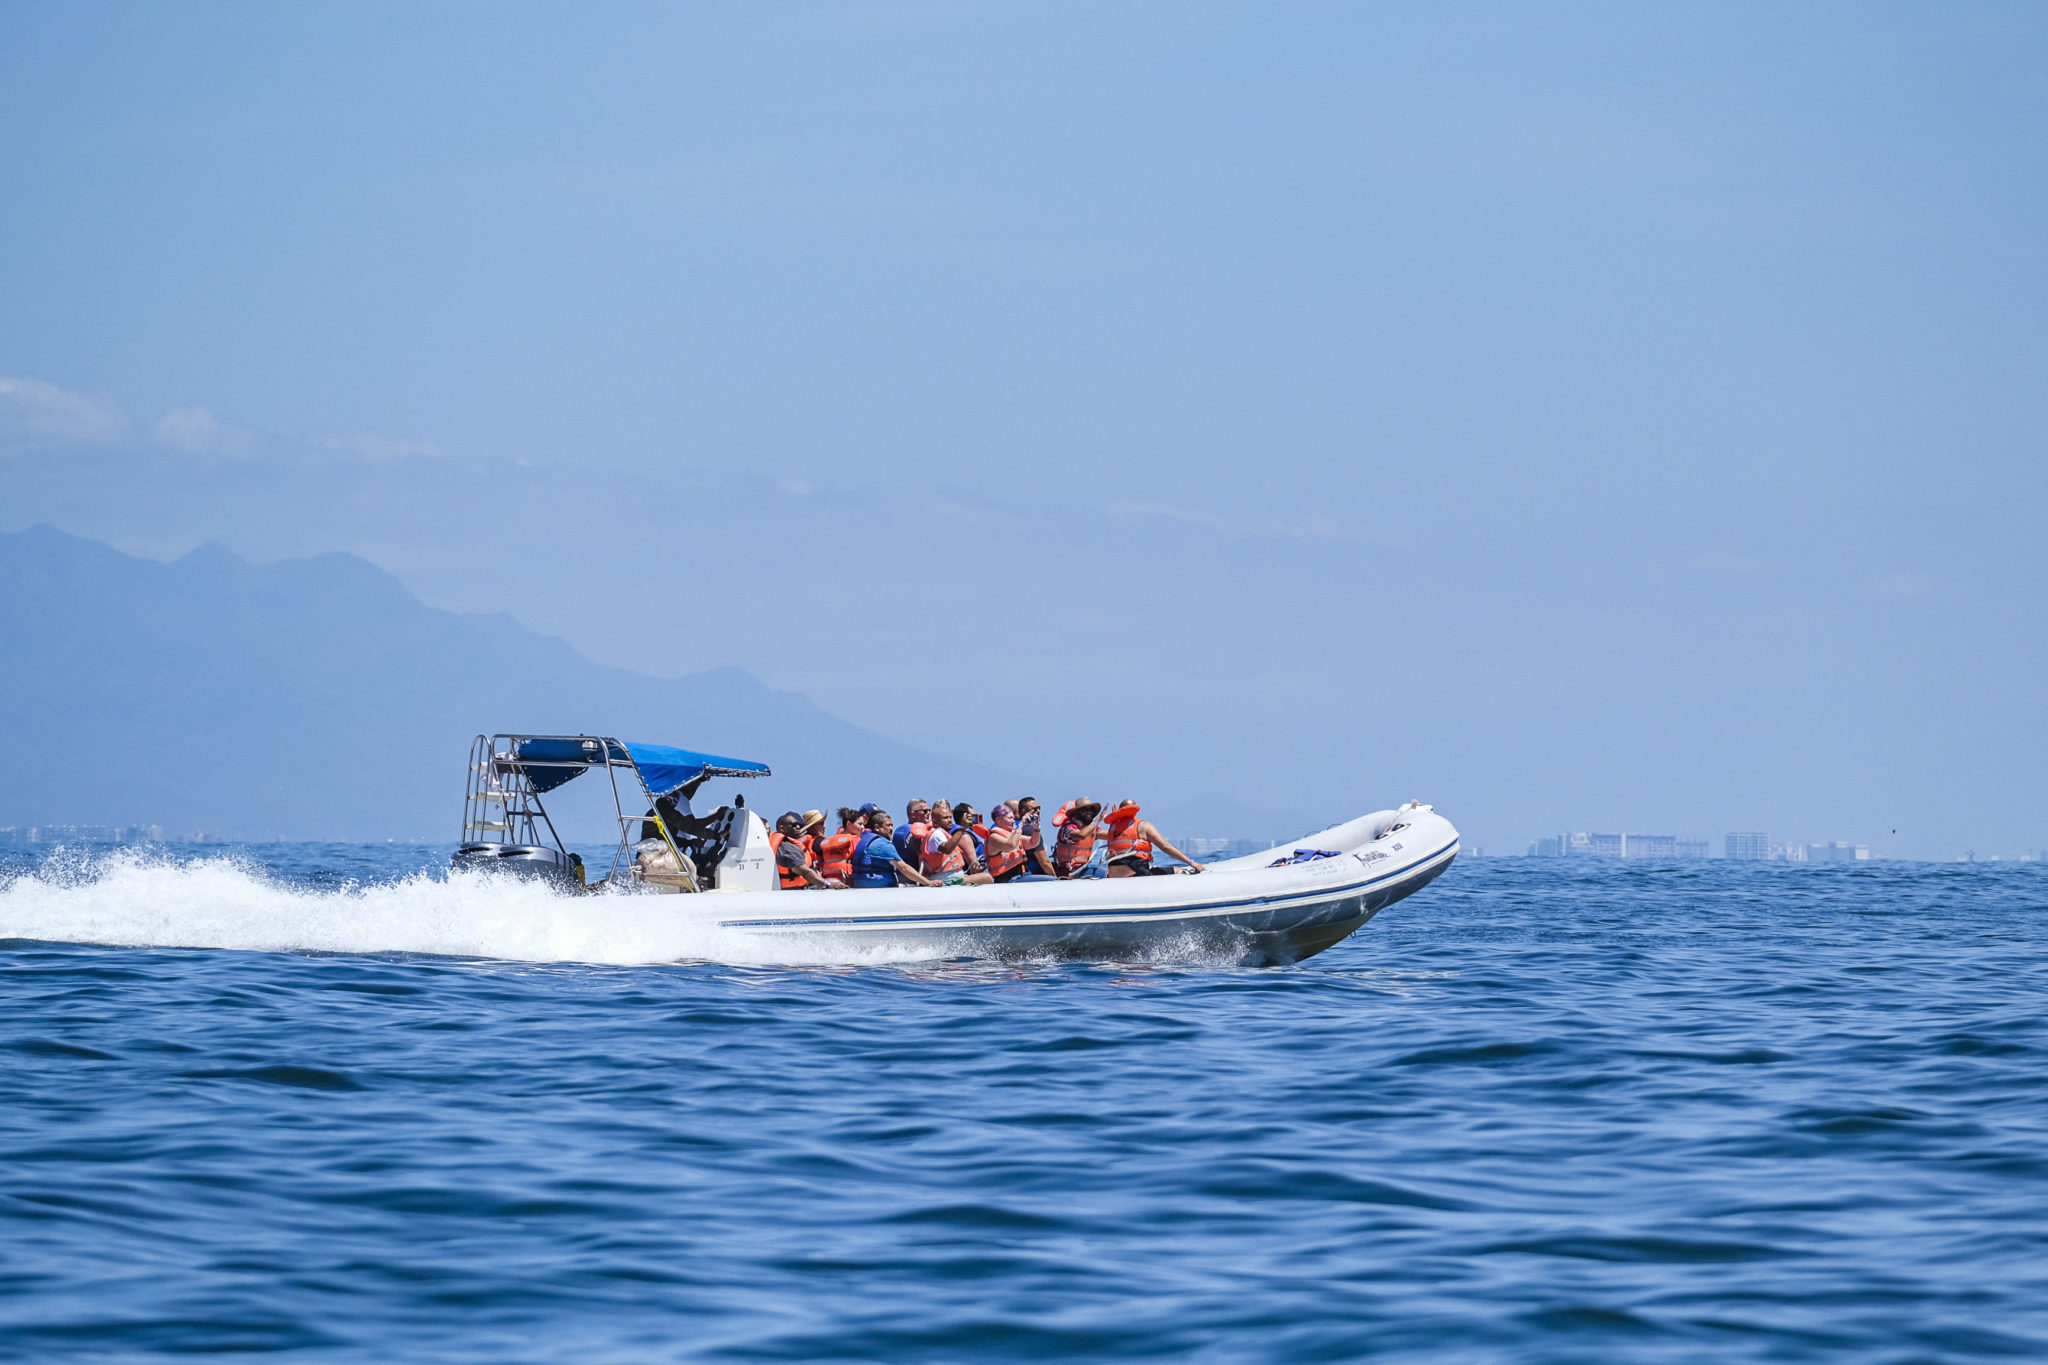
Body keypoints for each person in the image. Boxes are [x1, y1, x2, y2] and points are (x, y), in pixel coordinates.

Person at [1102, 800, 1203, 877]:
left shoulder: (1112, 829)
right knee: (1178, 870)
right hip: (1136, 873)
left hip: (1114, 876)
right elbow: (1166, 847)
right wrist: (1192, 863)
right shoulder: (1143, 826)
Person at [851, 810, 935, 888]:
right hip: (880, 886)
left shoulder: (863, 839)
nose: (891, 829)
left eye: (892, 825)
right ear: (877, 827)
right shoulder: (883, 844)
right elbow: (903, 868)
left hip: (860, 885)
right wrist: (928, 882)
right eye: (888, 825)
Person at [921, 800, 993, 886]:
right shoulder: (936, 834)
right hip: (946, 880)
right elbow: (946, 849)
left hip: (952, 877)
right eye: (945, 818)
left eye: (950, 817)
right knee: (987, 878)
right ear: (935, 821)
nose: (950, 821)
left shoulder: (946, 835)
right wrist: (963, 828)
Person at [983, 802, 1054, 883]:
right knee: (1053, 881)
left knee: (1054, 881)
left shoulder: (1012, 834)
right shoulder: (993, 838)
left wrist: (1036, 829)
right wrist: (1021, 825)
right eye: (1009, 818)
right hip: (1007, 880)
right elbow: (1010, 845)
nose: (1013, 821)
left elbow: (1033, 843)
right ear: (998, 820)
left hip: (1023, 875)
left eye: (1013, 818)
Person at [769, 810, 838, 889]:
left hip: (805, 885)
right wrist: (827, 884)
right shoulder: (787, 849)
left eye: (799, 825)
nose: (798, 827)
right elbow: (805, 872)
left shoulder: (792, 844)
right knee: (836, 882)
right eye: (820, 824)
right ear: (782, 829)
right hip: (797, 891)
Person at [1053, 799, 1108, 878]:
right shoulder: (1068, 827)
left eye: (1091, 809)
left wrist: (1116, 821)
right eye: (1085, 809)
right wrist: (1098, 820)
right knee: (1102, 874)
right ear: (1076, 812)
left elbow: (1111, 836)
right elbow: (1081, 835)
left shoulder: (1092, 828)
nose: (1089, 812)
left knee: (1109, 870)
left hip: (1084, 868)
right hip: (1069, 871)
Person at [816, 807, 864, 885]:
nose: (863, 827)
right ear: (848, 824)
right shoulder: (856, 840)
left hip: (827, 878)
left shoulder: (831, 839)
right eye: (860, 824)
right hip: (846, 879)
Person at [1015, 796, 1057, 876]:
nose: (1038, 811)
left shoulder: (1018, 829)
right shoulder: (1031, 831)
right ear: (1024, 811)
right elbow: (1045, 863)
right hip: (1034, 877)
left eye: (1039, 808)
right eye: (1034, 809)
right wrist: (1056, 880)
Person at [894, 798, 932, 865]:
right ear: (913, 815)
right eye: (925, 811)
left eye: (930, 810)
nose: (929, 813)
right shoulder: (904, 829)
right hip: (907, 872)